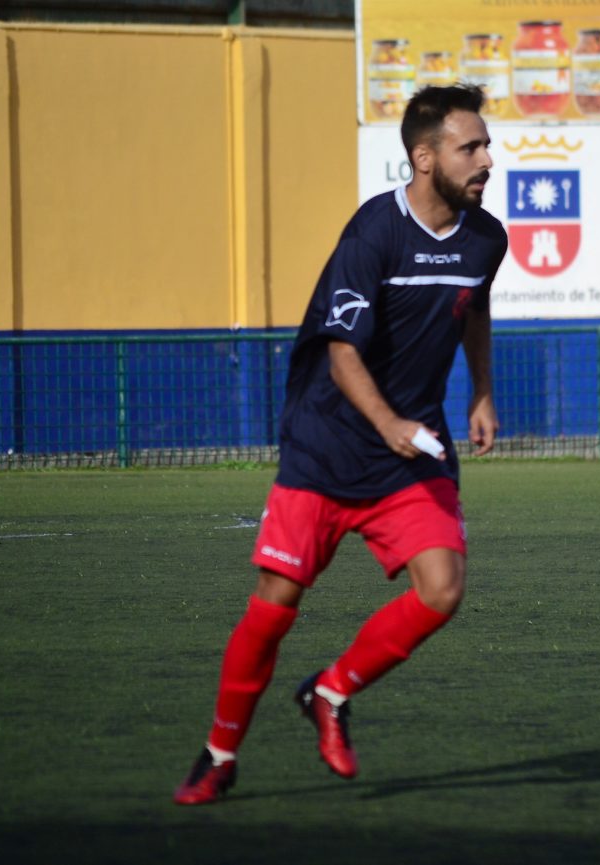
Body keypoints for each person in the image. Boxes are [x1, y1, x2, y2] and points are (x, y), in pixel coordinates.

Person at [174, 83, 508, 805]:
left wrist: (481, 390)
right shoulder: (372, 234)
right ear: (424, 158)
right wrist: (387, 425)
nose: (487, 159)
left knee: (443, 589)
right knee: (275, 605)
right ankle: (220, 754)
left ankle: (330, 691)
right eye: (470, 147)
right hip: (326, 448)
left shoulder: (487, 238)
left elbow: (473, 306)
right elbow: (341, 353)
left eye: (486, 145)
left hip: (410, 453)